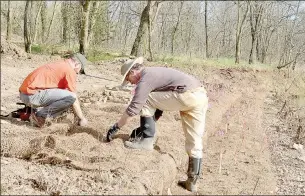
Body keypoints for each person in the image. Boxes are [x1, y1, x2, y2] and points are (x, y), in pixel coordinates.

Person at [105, 57, 208, 192]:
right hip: (200, 95)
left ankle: (147, 141)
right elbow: (160, 105)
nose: (130, 83)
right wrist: (145, 126)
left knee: (145, 99)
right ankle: (192, 181)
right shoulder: (154, 73)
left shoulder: (145, 78)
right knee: (195, 139)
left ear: (132, 72)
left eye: (128, 79)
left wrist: (116, 127)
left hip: (186, 94)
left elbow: (134, 108)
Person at [19, 53, 89, 128]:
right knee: (71, 97)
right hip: (31, 95)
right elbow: (73, 97)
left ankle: (39, 113)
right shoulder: (69, 70)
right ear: (77, 64)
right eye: (80, 70)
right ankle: (39, 116)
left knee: (66, 98)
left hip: (26, 93)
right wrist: (81, 118)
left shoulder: (62, 64)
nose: (78, 73)